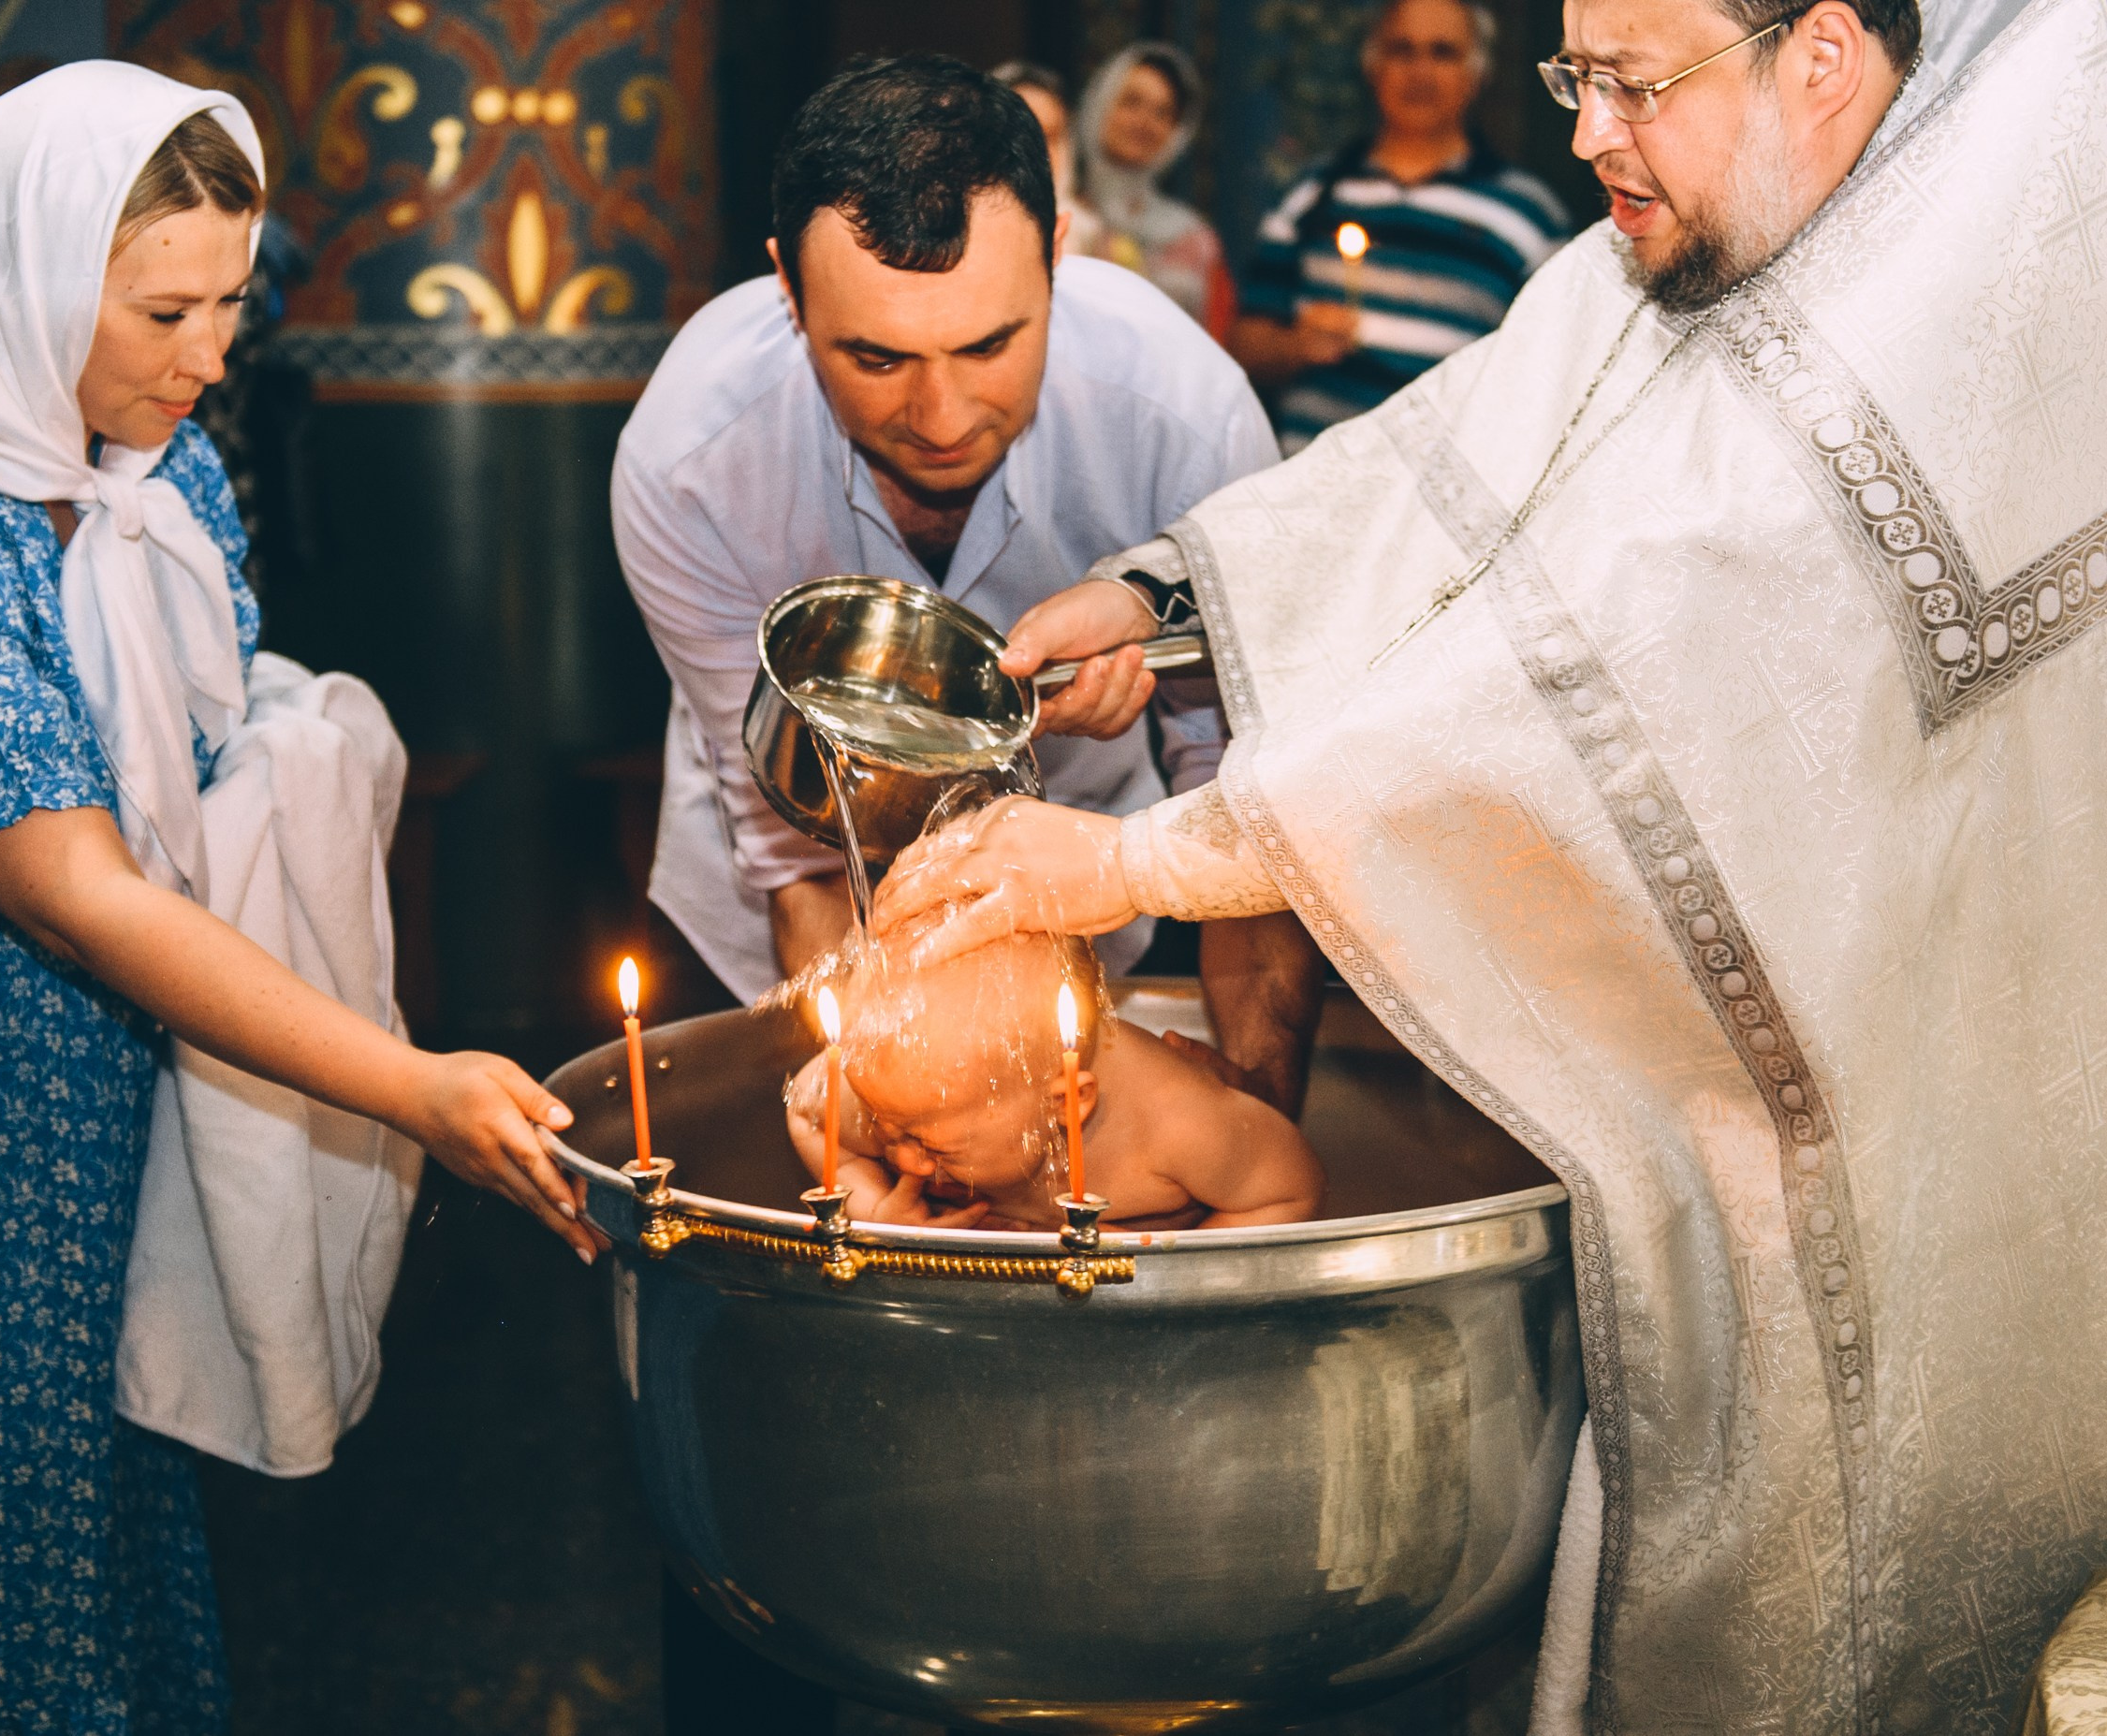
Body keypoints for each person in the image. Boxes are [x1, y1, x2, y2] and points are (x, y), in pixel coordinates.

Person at [871, 0, 2107, 1725]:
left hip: (1944, 1082)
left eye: (1631, 83)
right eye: (1570, 75)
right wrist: (1164, 607)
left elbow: (1622, 671)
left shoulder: (1987, 253)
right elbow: (1445, 466)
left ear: (1820, 55)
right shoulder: (1700, 216)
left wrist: (1144, 855)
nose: (1586, 132)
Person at [0, 64, 592, 1727]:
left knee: (75, 1476)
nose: (207, 356)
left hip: (79, 1073)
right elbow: (75, 892)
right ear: (30, 283)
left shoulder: (148, 464)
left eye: (231, 302)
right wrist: (409, 1082)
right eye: (163, 311)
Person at [613, 54, 1278, 1017]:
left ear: (1056, 254)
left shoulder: (1184, 415)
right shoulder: (693, 458)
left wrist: (1253, 1099)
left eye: (988, 346)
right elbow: (799, 851)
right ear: (788, 288)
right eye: (877, 359)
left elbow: (1244, 786)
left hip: (1085, 875)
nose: (942, 418)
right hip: (781, 915)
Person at [783, 925, 1323, 1230]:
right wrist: (874, 1208)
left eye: (930, 1145)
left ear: (1066, 1103)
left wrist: (1177, 1269)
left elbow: (1291, 1192)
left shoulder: (1173, 1126)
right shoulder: (900, 1095)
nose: (905, 1161)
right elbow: (806, 1110)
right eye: (887, 1128)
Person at [1231, 0, 1570, 452]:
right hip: (1308, 471)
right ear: (1373, 67)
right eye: (1401, 50)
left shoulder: (1530, 216)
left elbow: (1553, 381)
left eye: (1442, 52)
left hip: (1445, 484)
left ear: (1477, 74)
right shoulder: (1310, 194)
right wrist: (1295, 345)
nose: (1419, 72)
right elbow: (1243, 348)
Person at [1071, 43, 1235, 338]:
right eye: (1131, 102)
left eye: (1163, 113)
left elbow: (1216, 344)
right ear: (1101, 103)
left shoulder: (1196, 242)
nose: (1144, 122)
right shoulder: (1059, 214)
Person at [990, 61, 1103, 255]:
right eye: (1022, 133)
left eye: (1051, 136)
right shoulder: (950, 230)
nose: (1037, 149)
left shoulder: (1089, 238)